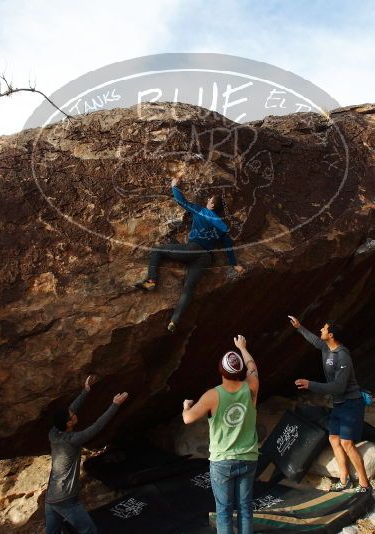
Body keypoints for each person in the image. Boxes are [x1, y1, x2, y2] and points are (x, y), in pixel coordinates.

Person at [135, 175, 245, 332]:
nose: (207, 200)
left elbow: (182, 202)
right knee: (188, 289)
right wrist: (235, 265)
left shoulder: (201, 211)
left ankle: (151, 281)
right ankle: (174, 321)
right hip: (205, 259)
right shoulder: (222, 225)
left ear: (212, 205)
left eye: (209, 199)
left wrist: (174, 186)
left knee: (158, 250)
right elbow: (228, 246)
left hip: (193, 250)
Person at [182, 335, 259, 534]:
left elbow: (188, 419)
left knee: (224, 511)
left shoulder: (212, 395)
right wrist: (242, 347)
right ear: (240, 370)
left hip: (222, 461)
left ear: (220, 370)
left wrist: (185, 407)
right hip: (248, 456)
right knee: (245, 508)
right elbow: (252, 366)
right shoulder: (251, 386)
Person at [287, 315, 371, 493]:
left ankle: (364, 484)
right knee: (334, 439)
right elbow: (314, 340)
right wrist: (299, 327)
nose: (321, 331)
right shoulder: (326, 347)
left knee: (347, 443)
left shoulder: (342, 357)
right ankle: (344, 480)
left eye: (324, 329)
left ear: (331, 335)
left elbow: (339, 387)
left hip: (351, 403)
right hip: (339, 404)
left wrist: (311, 385)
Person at [45, 375, 129, 534]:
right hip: (65, 498)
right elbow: (97, 426)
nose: (74, 413)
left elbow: (71, 409)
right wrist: (114, 405)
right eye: (72, 416)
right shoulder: (73, 440)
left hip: (51, 498)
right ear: (69, 423)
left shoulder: (53, 434)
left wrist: (86, 391)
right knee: (89, 530)